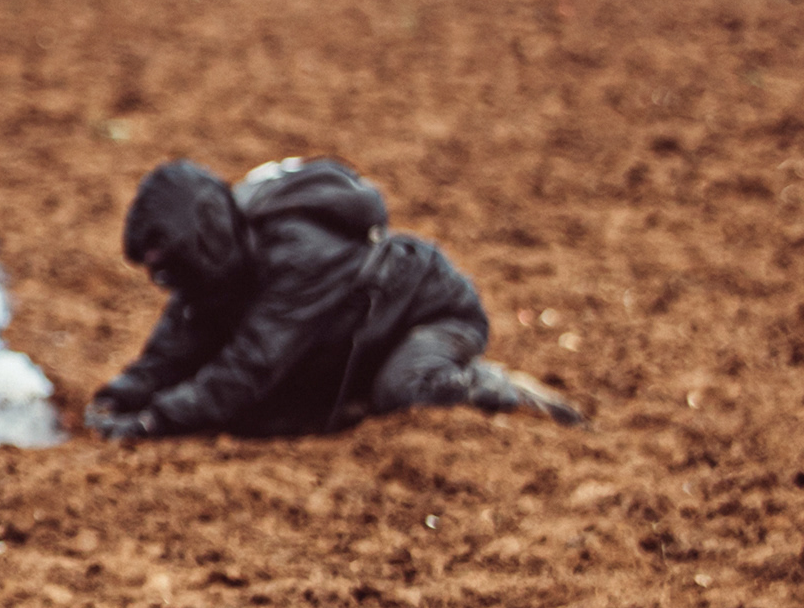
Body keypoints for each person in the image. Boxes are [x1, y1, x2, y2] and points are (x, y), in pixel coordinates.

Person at [84, 157, 585, 441]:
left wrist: (154, 419)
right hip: (346, 335)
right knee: (262, 418)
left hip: (428, 317)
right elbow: (182, 335)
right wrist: (125, 391)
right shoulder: (226, 262)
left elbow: (250, 366)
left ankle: (488, 383)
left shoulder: (299, 253)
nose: (166, 280)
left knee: (404, 386)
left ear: (204, 243)